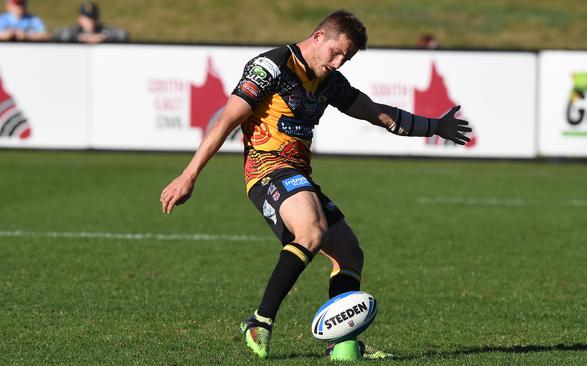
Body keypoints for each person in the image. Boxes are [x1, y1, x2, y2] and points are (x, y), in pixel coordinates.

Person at [160, 9, 471, 361]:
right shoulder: (271, 67)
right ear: (319, 36)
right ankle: (259, 322)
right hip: (267, 169)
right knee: (311, 231)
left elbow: (376, 113)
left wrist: (435, 127)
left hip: (298, 175)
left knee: (350, 253)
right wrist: (189, 175)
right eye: (336, 52)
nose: (339, 62)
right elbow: (227, 118)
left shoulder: (329, 81)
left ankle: (343, 345)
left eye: (347, 58)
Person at [53, 2, 128, 44]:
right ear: (79, 19)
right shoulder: (74, 31)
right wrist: (80, 38)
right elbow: (56, 34)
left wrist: (102, 37)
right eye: (87, 18)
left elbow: (122, 34)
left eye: (93, 18)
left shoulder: (102, 30)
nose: (90, 21)